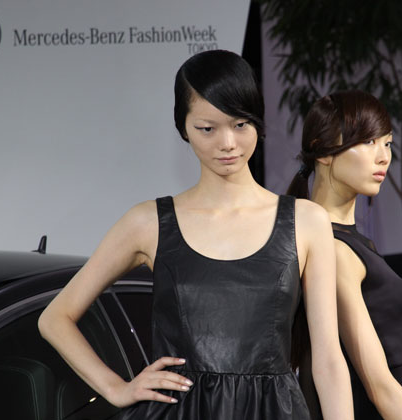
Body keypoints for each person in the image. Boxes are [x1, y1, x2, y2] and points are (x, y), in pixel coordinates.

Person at [38, 50, 353, 419]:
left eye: (240, 124)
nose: (228, 143)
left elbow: (328, 359)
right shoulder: (148, 223)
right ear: (183, 128)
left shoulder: (307, 221)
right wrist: (116, 388)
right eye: (207, 128)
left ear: (257, 122)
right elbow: (55, 318)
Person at [288, 90, 402, 420]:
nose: (384, 157)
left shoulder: (346, 240)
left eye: (387, 143)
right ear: (324, 151)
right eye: (369, 141)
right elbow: (378, 385)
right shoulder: (336, 250)